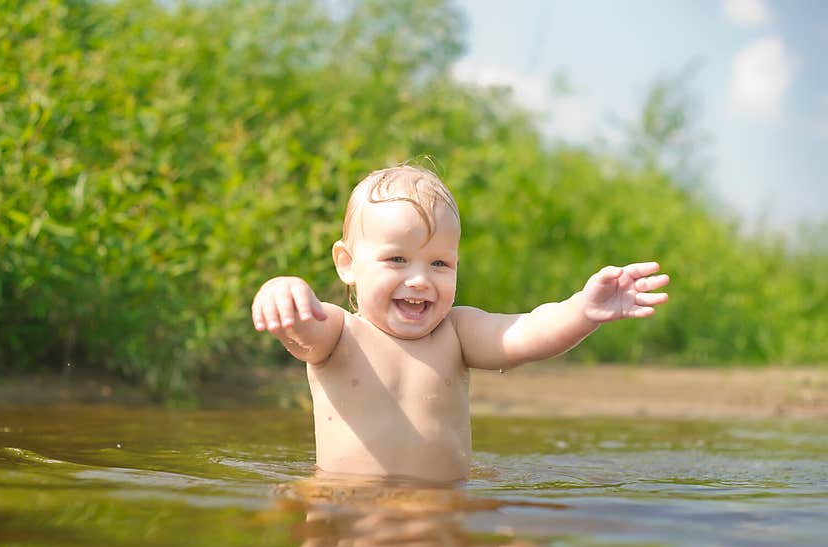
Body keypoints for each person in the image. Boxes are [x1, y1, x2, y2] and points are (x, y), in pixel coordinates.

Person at [251, 165, 669, 482]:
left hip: (441, 503)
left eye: (440, 263)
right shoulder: (340, 332)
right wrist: (283, 293)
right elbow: (303, 331)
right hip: (344, 500)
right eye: (397, 259)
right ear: (347, 264)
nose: (420, 279)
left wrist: (582, 310)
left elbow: (524, 333)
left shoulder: (457, 332)